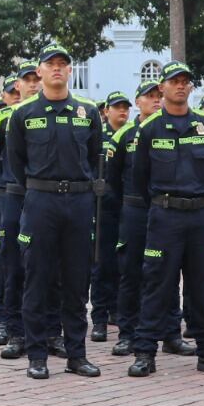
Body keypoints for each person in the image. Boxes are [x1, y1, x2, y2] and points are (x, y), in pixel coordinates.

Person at [127, 60, 204, 377]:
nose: (181, 86)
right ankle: (145, 353)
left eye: (186, 81)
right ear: (162, 88)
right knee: (156, 286)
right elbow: (140, 179)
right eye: (174, 81)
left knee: (201, 288)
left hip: (201, 217)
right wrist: (164, 204)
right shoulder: (148, 130)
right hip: (165, 216)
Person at [7, 45, 103, 380]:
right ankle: (37, 355)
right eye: (52, 64)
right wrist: (40, 186)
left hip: (77, 202)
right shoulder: (23, 114)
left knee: (77, 281)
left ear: (70, 71)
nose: (58, 69)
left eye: (64, 64)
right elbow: (16, 162)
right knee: (37, 278)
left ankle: (76, 355)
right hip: (40, 202)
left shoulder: (87, 111)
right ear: (40, 71)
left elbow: (94, 158)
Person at [113, 79, 191, 358]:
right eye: (149, 96)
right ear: (138, 102)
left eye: (158, 95)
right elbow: (112, 181)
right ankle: (127, 334)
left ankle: (171, 333)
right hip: (134, 210)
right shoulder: (125, 135)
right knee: (132, 273)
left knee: (168, 273)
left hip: (163, 209)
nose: (155, 100)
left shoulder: (171, 128)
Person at [0, 67, 39, 359]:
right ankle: (10, 325)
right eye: (27, 81)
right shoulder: (4, 119)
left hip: (43, 197)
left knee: (46, 265)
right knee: (11, 263)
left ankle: (48, 331)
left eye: (36, 80)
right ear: (17, 86)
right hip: (12, 194)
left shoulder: (52, 113)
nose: (32, 85)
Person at [89, 91, 130, 343]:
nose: (122, 111)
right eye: (117, 107)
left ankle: (117, 310)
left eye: (126, 107)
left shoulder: (132, 135)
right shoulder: (99, 137)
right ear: (106, 111)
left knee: (122, 264)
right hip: (103, 208)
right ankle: (100, 318)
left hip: (127, 208)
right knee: (101, 264)